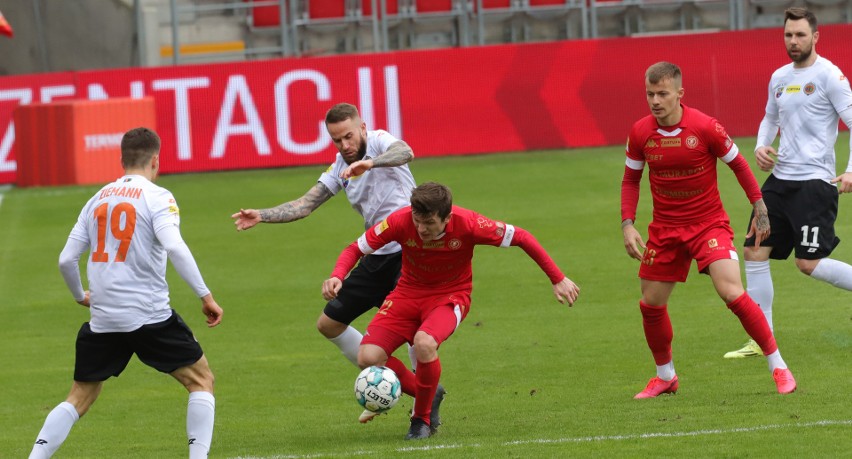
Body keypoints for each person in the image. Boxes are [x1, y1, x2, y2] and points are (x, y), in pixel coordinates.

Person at [322, 182, 580, 440]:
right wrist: (337, 275)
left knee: (424, 344)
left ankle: (420, 421)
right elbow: (356, 248)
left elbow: (521, 237)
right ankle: (426, 391)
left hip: (450, 297)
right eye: (417, 221)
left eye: (429, 223)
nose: (421, 229)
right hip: (406, 294)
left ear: (447, 217)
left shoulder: (470, 223)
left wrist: (557, 278)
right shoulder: (400, 221)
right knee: (367, 358)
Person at [28, 127, 224, 459]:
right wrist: (205, 296)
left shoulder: (97, 199)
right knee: (201, 379)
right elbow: (175, 247)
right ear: (156, 160)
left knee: (80, 396)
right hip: (148, 314)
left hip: (103, 317)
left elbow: (66, 259)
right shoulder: (158, 197)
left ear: (121, 160)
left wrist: (79, 295)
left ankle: (36, 456)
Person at [231, 102, 424, 423]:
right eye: (337, 140)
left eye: (349, 136)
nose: (345, 145)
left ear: (362, 129)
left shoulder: (378, 142)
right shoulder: (339, 167)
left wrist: (370, 163)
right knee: (329, 324)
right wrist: (261, 215)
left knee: (414, 332)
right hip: (375, 258)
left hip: (408, 253)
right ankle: (391, 386)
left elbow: (406, 152)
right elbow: (306, 204)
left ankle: (424, 405)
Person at [620, 62, 796, 399]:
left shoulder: (705, 127)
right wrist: (628, 223)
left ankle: (779, 366)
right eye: (650, 94)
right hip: (665, 230)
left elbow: (739, 164)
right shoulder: (641, 133)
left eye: (662, 94)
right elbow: (631, 179)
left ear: (679, 94)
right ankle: (665, 376)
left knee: (731, 291)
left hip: (708, 225)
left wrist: (759, 206)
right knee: (651, 305)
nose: (655, 101)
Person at [724, 7, 852, 359]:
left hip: (814, 184)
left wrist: (851, 170)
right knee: (753, 250)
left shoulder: (831, 77)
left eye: (799, 35)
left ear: (815, 36)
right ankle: (761, 338)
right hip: (779, 183)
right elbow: (770, 117)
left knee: (807, 264)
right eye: (788, 35)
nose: (793, 41)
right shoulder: (779, 76)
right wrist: (762, 146)